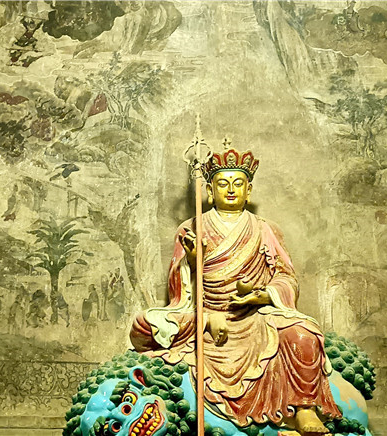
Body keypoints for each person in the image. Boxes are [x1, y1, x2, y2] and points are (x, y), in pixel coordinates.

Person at [130, 148, 340, 434]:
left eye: (238, 183)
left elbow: (286, 277)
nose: (230, 189)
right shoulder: (191, 228)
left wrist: (264, 294)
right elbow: (177, 291)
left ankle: (304, 409)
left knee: (303, 333)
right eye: (223, 183)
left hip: (256, 318)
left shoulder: (266, 230)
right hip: (205, 317)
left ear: (248, 190)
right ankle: (207, 325)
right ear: (209, 191)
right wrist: (191, 263)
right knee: (143, 324)